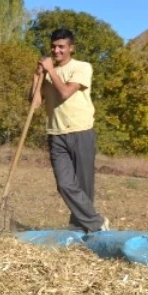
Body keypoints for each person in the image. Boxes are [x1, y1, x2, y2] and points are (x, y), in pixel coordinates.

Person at [33, 27, 109, 233]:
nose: (56, 51)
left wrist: (50, 71)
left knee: (84, 186)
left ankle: (81, 226)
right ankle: (96, 222)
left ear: (71, 48)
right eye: (53, 46)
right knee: (65, 185)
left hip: (80, 131)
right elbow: (35, 104)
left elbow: (66, 92)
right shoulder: (47, 72)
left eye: (61, 47)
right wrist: (36, 77)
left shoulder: (82, 67)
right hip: (56, 134)